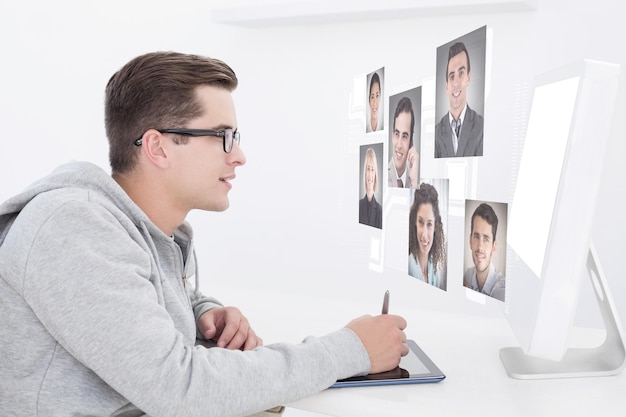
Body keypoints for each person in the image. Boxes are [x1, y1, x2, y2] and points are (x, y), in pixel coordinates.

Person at [0, 51, 409, 417]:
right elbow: (179, 388)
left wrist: (201, 314)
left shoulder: (151, 231)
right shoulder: (73, 227)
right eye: (223, 136)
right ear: (158, 148)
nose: (240, 156)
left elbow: (135, 293)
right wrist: (349, 349)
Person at [434, 41, 484, 158]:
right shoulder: (436, 133)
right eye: (452, 76)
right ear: (446, 86)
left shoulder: (481, 127)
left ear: (468, 77)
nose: (456, 82)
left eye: (461, 73)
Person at [463, 203, 506, 301]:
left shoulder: (501, 289)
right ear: (470, 241)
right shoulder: (466, 275)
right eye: (476, 237)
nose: (480, 247)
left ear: (493, 248)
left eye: (486, 239)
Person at [408, 183, 447, 289]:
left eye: (429, 224)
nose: (424, 235)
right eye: (421, 222)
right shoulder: (409, 267)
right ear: (414, 222)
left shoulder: (435, 272)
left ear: (435, 227)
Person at [387, 96, 419, 188]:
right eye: (397, 134)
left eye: (404, 136)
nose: (399, 145)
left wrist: (414, 181)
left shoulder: (415, 183)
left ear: (411, 142)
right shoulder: (382, 178)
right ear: (392, 136)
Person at [359, 147, 383, 228]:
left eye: (372, 170)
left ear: (375, 173)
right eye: (368, 169)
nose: (370, 174)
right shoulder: (359, 206)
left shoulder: (380, 211)